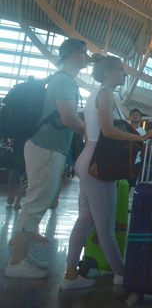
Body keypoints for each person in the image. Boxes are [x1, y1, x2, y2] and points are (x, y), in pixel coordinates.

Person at [61, 55, 152, 290]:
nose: (124, 75)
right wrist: (140, 137)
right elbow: (108, 130)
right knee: (105, 226)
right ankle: (122, 273)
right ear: (108, 73)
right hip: (98, 164)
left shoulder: (96, 94)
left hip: (88, 159)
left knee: (85, 220)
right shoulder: (106, 94)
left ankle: (71, 275)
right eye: (120, 71)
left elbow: (92, 132)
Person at [5, 39, 89, 279]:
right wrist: (90, 129)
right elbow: (69, 118)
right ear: (71, 54)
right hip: (47, 148)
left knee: (35, 201)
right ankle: (16, 262)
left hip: (44, 147)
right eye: (83, 52)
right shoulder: (64, 81)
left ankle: (21, 254)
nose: (86, 56)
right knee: (34, 204)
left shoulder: (60, 79)